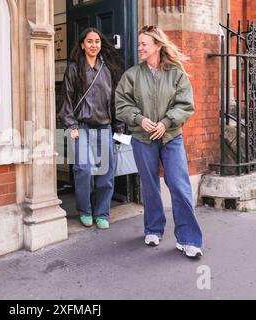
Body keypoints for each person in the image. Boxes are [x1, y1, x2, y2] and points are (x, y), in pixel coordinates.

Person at [115, 25, 203, 258]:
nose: (140, 48)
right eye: (139, 44)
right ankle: (154, 228)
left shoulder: (176, 74)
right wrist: (139, 119)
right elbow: (121, 104)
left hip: (171, 137)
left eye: (144, 43)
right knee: (150, 185)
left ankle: (189, 239)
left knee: (179, 185)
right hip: (143, 139)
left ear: (157, 45)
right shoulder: (132, 75)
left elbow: (186, 105)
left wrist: (165, 122)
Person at [58, 28, 125, 229]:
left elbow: (115, 100)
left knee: (106, 173)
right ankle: (85, 210)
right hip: (82, 127)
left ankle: (102, 212)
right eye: (89, 41)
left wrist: (119, 127)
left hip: (104, 127)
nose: (94, 45)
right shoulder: (74, 68)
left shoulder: (108, 69)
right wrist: (71, 125)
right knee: (83, 169)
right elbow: (67, 99)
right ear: (82, 44)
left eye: (97, 41)